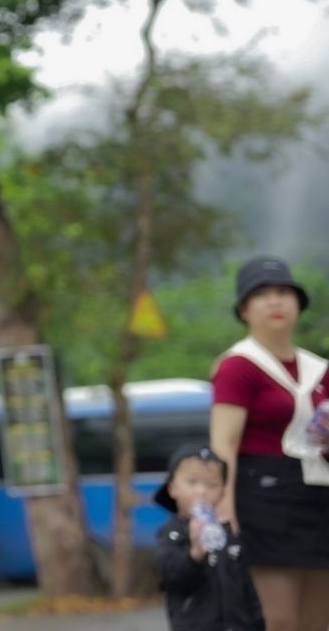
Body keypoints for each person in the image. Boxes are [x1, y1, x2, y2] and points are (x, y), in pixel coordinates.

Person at [210, 257, 329, 631]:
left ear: (298, 306)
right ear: (244, 309)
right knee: (279, 619)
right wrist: (224, 507)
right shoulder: (239, 365)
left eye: (284, 293)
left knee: (318, 619)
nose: (275, 302)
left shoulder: (319, 369)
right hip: (263, 498)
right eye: (262, 295)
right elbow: (223, 443)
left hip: (318, 493)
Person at [152, 441, 265, 630]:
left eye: (212, 485)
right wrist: (194, 555)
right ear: (172, 488)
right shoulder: (172, 533)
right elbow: (171, 576)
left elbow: (247, 589)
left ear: (222, 492)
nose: (201, 491)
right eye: (192, 482)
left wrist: (257, 623)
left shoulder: (227, 535)